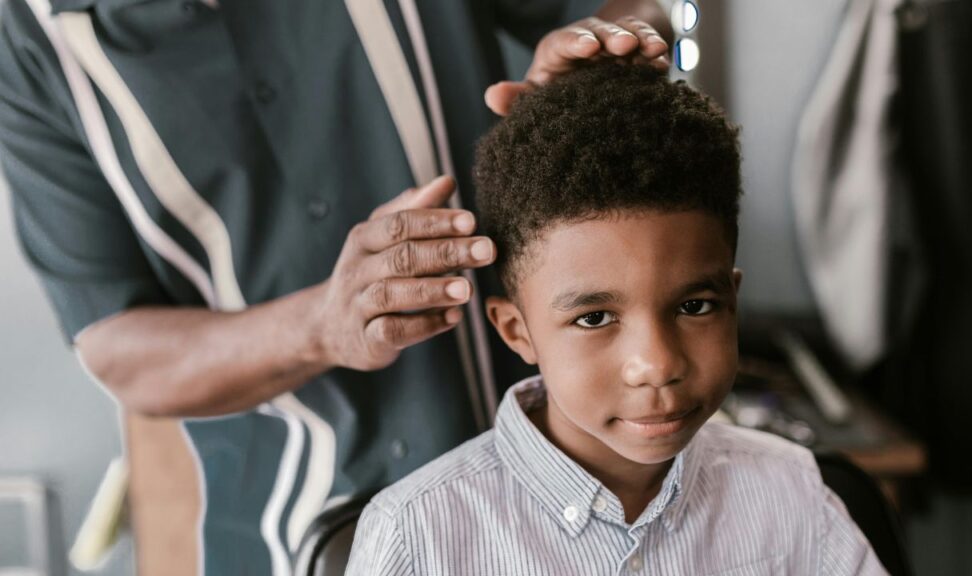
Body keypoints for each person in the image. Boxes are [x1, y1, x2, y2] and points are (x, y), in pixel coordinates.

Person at [0, 0, 671, 574]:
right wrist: (319, 325)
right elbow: (116, 346)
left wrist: (602, 65)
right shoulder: (27, 44)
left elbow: (633, 9)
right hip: (287, 538)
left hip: (575, 485)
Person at [346, 62, 887, 575]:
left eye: (695, 306)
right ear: (518, 331)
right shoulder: (418, 536)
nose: (656, 365)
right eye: (595, 317)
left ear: (733, 301)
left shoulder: (791, 492)